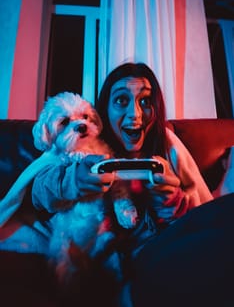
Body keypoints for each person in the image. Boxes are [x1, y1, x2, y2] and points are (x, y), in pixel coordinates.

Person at [31, 62, 218, 305]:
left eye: (145, 101)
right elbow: (38, 191)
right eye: (121, 101)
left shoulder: (167, 143)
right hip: (108, 268)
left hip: (164, 257)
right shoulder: (86, 145)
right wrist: (75, 180)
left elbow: (203, 217)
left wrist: (170, 201)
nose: (135, 114)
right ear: (104, 109)